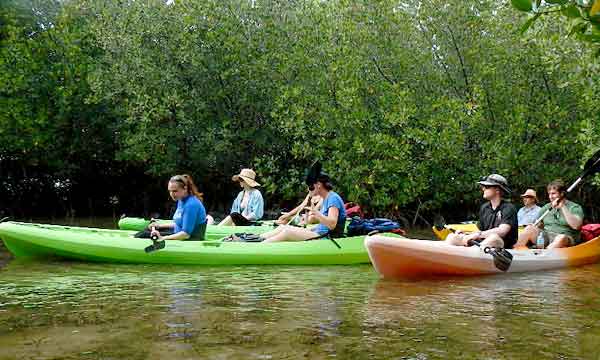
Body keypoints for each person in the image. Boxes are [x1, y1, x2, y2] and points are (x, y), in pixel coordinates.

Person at [260, 172, 346, 243]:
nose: (308, 190)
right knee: (284, 227)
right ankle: (257, 239)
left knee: (287, 232)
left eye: (310, 187)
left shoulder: (333, 198)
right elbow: (324, 224)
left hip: (327, 238)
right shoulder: (326, 198)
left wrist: (316, 213)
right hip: (318, 232)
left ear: (319, 185)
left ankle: (260, 247)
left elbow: (332, 224)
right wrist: (313, 228)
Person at [445, 174, 518, 249]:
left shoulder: (509, 208)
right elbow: (480, 230)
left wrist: (478, 234)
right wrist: (467, 234)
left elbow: (502, 231)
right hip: (483, 242)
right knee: (452, 237)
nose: (483, 189)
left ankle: (472, 254)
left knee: (494, 238)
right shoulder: (484, 208)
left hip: (503, 246)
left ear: (497, 190)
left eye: (487, 187)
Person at [515, 179, 584, 249]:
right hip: (547, 236)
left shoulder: (574, 207)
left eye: (553, 193)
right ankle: (516, 253)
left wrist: (563, 207)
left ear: (562, 194)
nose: (550, 197)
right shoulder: (546, 207)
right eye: (549, 194)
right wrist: (534, 226)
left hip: (566, 238)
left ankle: (545, 256)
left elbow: (576, 226)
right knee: (529, 229)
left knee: (561, 238)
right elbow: (540, 225)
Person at [145, 174, 207, 241]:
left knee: (143, 235)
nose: (172, 194)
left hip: (189, 239)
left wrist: (162, 238)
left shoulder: (191, 205)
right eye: (170, 191)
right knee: (145, 231)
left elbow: (186, 234)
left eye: (175, 191)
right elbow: (179, 223)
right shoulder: (181, 200)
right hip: (178, 233)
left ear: (185, 188)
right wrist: (159, 226)